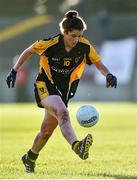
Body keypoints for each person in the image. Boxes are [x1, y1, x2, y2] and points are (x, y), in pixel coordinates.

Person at [6, 10, 117, 173]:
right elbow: (29, 51)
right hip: (45, 84)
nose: (76, 39)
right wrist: (14, 71)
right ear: (64, 33)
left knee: (46, 131)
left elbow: (98, 62)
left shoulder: (84, 46)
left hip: (62, 91)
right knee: (62, 112)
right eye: (73, 36)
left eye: (79, 36)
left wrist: (108, 74)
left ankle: (30, 157)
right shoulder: (50, 44)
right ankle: (77, 146)